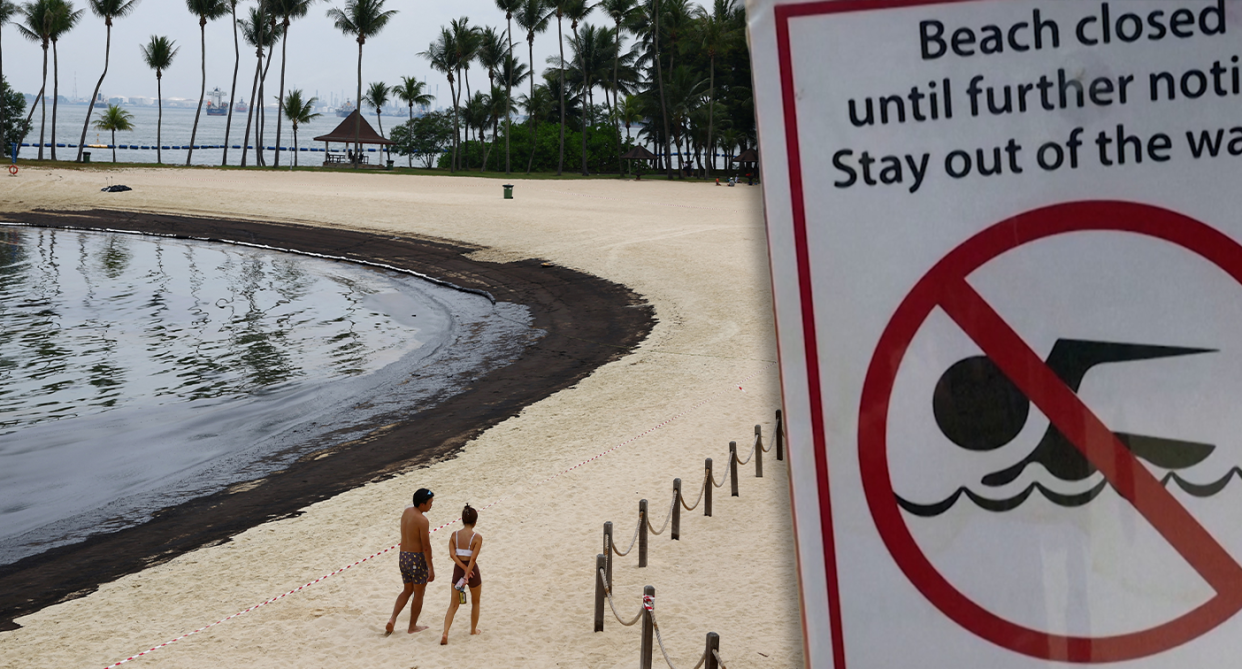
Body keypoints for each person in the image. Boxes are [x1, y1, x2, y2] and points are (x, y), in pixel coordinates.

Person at [385, 488, 435, 636]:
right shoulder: (423, 520)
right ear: (422, 504)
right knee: (418, 594)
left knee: (407, 590)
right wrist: (431, 568)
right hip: (416, 558)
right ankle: (412, 626)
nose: (431, 505)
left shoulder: (406, 512)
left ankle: (392, 618)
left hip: (403, 556)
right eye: (430, 503)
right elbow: (426, 547)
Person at [440, 503, 483, 645]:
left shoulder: (454, 535)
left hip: (458, 570)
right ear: (475, 522)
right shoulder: (477, 537)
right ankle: (473, 629)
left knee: (453, 604)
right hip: (472, 571)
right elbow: (473, 558)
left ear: (462, 520)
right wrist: (468, 572)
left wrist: (463, 571)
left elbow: (452, 555)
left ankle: (445, 633)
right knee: (475, 601)